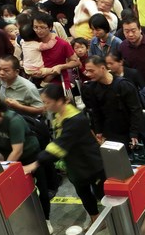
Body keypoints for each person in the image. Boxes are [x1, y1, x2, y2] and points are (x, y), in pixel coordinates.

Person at [23, 83, 105, 226]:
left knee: (102, 195)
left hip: (90, 164)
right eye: (43, 102)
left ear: (60, 101)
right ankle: (96, 220)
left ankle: (117, 221)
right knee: (84, 193)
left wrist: (36, 163)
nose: (45, 106)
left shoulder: (75, 119)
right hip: (75, 165)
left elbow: (59, 146)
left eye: (47, 102)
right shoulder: (58, 114)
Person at [0, 97, 52, 227]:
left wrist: (4, 172)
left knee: (40, 189)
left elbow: (17, 151)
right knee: (16, 191)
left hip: (29, 156)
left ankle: (46, 220)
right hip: (7, 157)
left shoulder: (13, 120)